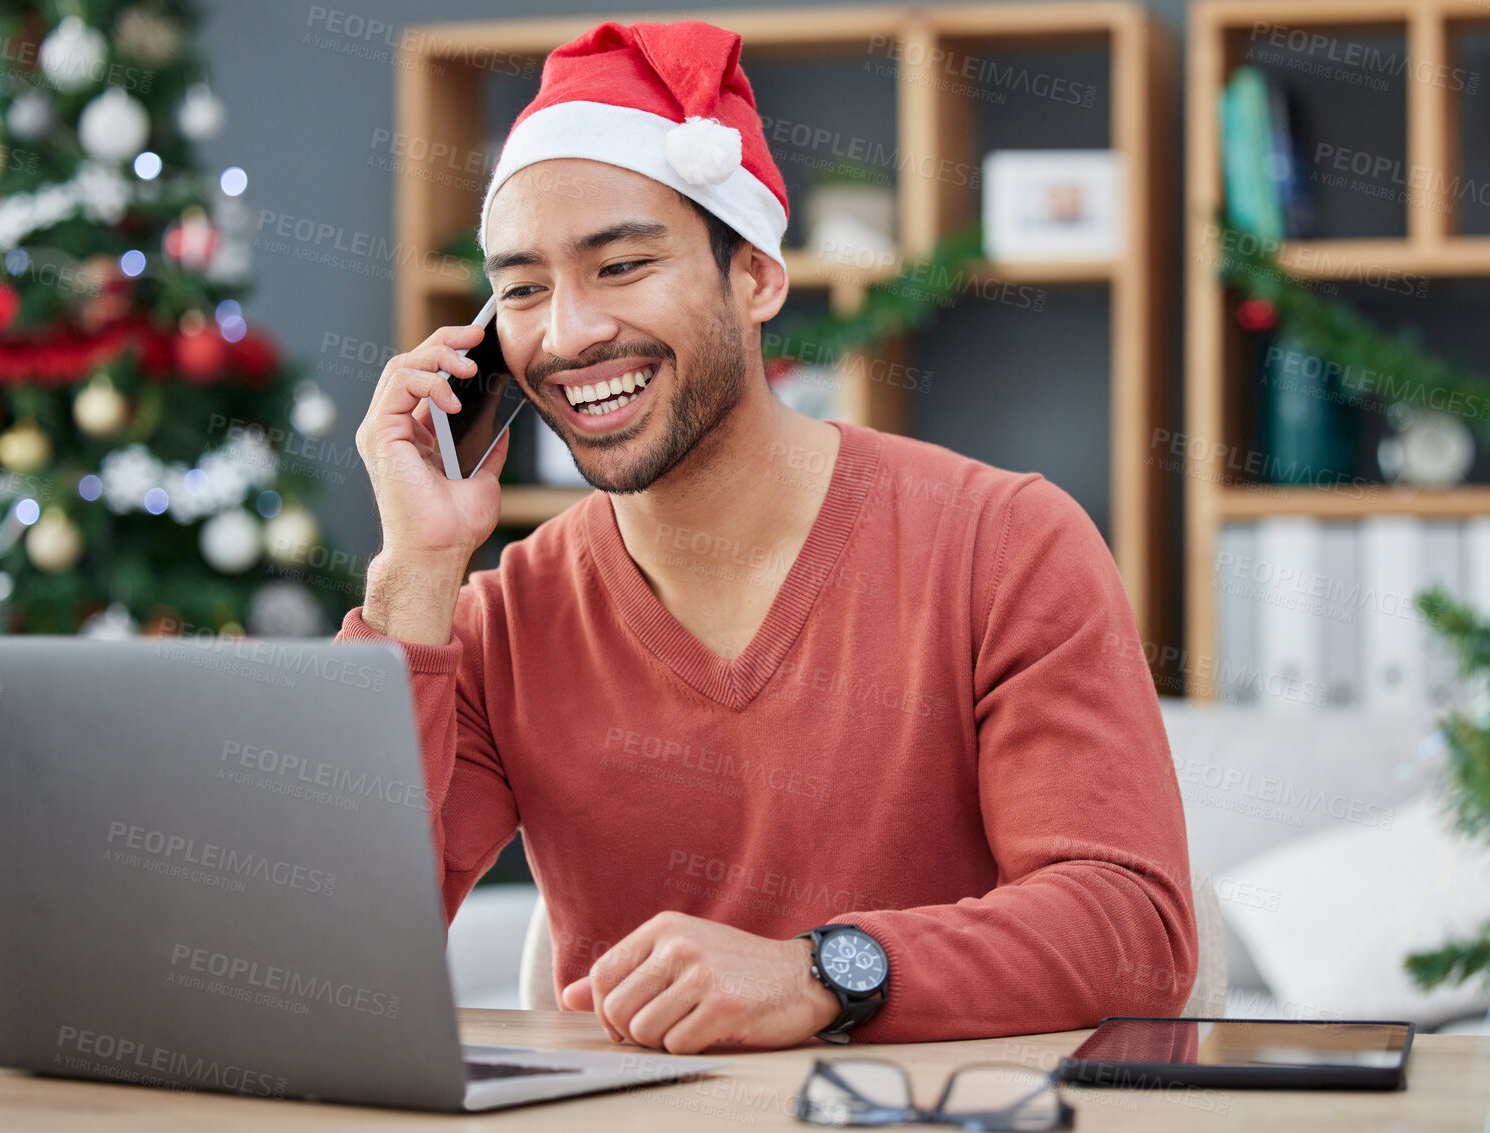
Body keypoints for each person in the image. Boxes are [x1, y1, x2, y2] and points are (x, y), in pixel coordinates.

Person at [340, 18, 1195, 1056]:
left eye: (620, 266)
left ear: (756, 277)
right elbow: (329, 942)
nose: (563, 335)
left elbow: (1132, 928)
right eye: (520, 288)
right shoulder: (501, 616)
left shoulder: (1004, 543)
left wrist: (818, 970)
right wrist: (415, 572)